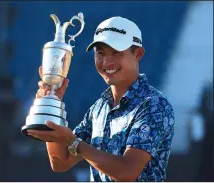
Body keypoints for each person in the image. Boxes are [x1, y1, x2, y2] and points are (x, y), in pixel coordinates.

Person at [28, 16, 175, 181]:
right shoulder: (99, 108)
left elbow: (127, 171)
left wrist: (74, 142)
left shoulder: (154, 105)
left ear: (138, 53)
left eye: (116, 53)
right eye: (101, 53)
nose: (107, 61)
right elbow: (61, 162)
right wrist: (53, 107)